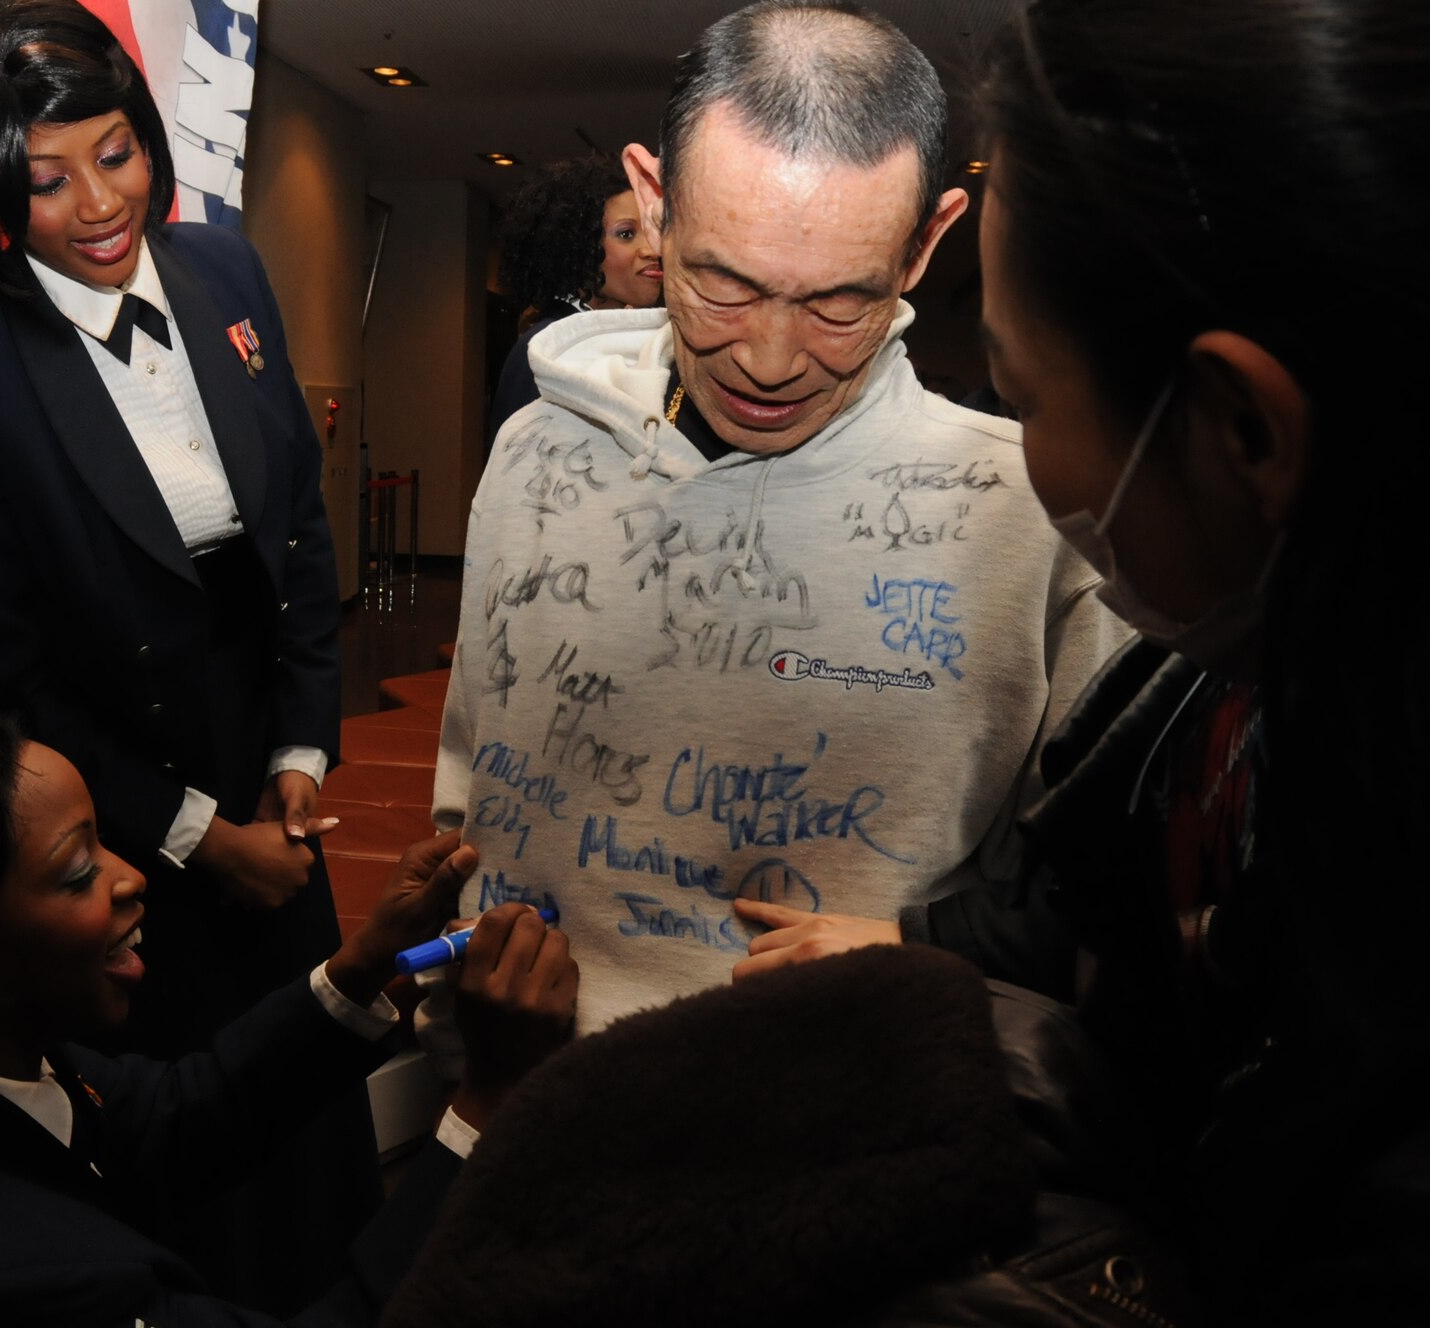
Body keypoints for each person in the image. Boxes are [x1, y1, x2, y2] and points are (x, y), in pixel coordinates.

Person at [736, 0, 1430, 1319]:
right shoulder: (1241, 701)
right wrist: (912, 944)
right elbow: (1099, 891)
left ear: (1241, 430)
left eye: (1023, 395)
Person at [430, 0, 1126, 1036]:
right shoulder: (533, 448)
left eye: (836, 302)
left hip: (858, 1119)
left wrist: (920, 960)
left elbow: (1095, 909)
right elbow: (470, 780)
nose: (766, 359)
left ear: (926, 240)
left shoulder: (1040, 518)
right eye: (720, 283)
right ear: (652, 203)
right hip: (527, 1093)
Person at [0, 1, 363, 1305]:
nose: (98, 203)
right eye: (45, 180)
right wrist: (205, 836)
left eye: (117, 154)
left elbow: (301, 530)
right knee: (190, 1159)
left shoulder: (228, 271)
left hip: (277, 800)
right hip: (126, 834)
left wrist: (305, 746)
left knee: (312, 1115)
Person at [0, 664, 578, 1327]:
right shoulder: (9, 1281)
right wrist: (487, 1109)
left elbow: (164, 1119)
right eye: (77, 873)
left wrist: (362, 967)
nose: (128, 878)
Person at [486, 155, 662, 444]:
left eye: (653, 230)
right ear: (577, 247)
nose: (653, 249)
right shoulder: (547, 347)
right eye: (627, 233)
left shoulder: (626, 340)